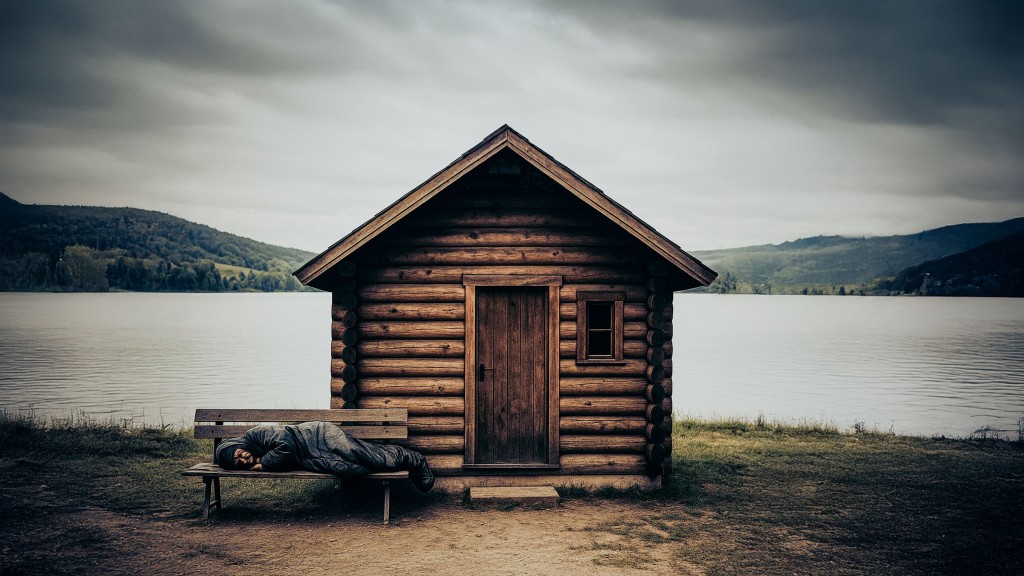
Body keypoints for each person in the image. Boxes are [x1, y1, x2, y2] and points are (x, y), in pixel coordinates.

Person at [214, 421, 434, 492]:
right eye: (238, 462)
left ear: (240, 445)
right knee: (352, 467)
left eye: (241, 454)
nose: (244, 458)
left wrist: (265, 463)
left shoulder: (256, 435)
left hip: (318, 435)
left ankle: (413, 460)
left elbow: (286, 444)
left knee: (357, 453)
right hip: (311, 457)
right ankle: (397, 461)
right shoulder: (248, 452)